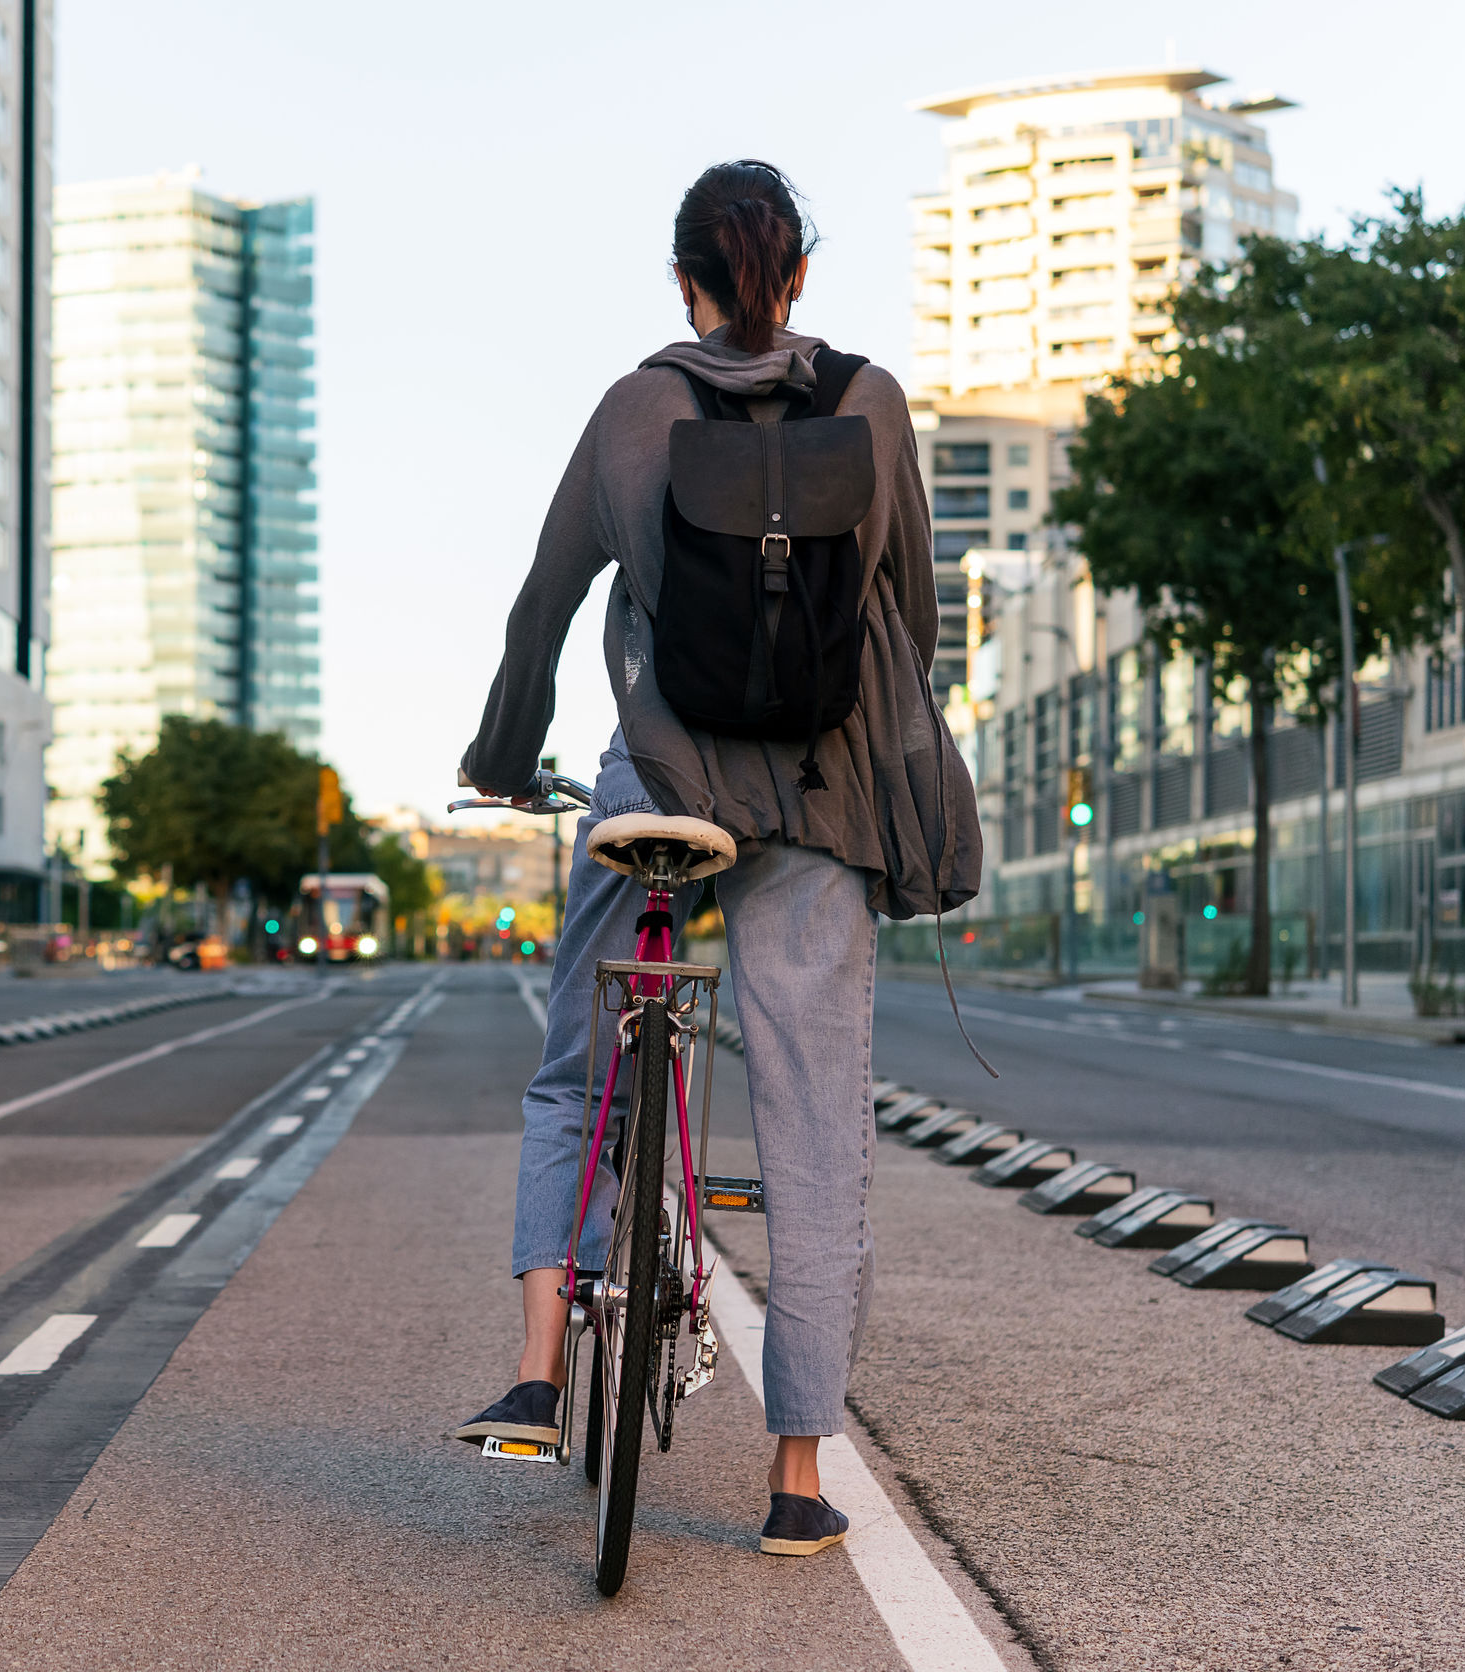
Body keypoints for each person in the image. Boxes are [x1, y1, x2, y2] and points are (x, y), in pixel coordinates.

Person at [448, 160, 979, 1558]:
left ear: (683, 278)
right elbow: (912, 618)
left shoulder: (635, 408)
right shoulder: (871, 404)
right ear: (797, 274)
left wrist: (504, 756)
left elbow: (541, 609)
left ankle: (538, 1368)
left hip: (659, 789)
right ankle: (797, 1479)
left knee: (575, 1070)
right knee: (815, 1120)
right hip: (820, 803)